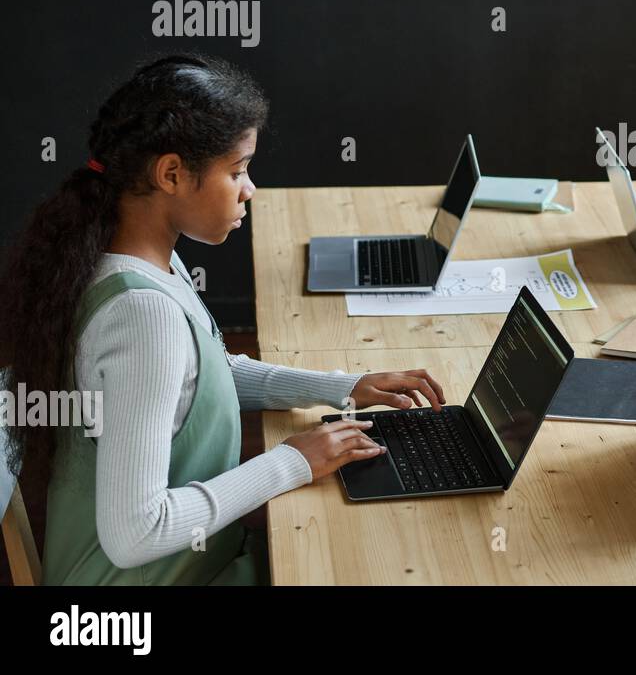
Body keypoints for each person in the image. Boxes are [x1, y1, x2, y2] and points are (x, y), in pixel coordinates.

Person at [0, 54, 444, 584]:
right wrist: (291, 461)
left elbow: (204, 374)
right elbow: (136, 533)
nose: (248, 188)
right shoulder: (142, 317)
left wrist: (344, 387)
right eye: (236, 171)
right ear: (171, 174)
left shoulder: (136, 256)